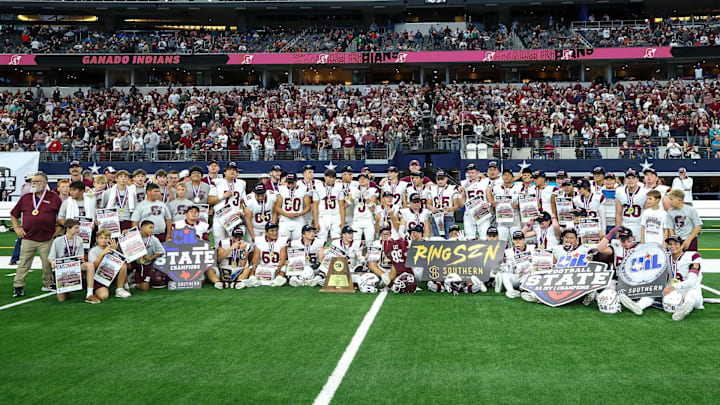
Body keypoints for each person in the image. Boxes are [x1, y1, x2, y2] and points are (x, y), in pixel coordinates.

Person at [10, 172, 62, 297]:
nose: (33, 183)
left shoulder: (54, 197)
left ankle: (48, 283)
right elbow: (14, 214)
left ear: (44, 183)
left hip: (47, 238)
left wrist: (58, 230)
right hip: (29, 237)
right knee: (24, 263)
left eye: (36, 181)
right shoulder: (26, 197)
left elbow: (62, 216)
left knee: (47, 264)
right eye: (32, 181)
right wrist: (17, 228)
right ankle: (18, 286)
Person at [48, 219, 100, 304]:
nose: (78, 230)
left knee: (90, 265)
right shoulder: (58, 240)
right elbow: (51, 257)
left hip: (75, 266)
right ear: (68, 229)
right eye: (76, 228)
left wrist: (81, 258)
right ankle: (67, 288)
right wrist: (52, 263)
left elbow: (81, 257)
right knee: (61, 299)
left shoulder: (79, 239)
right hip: (63, 269)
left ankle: (89, 294)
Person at [208, 162, 246, 248]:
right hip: (220, 215)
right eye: (229, 169)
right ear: (224, 172)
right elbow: (210, 200)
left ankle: (235, 260)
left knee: (236, 240)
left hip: (234, 215)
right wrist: (223, 196)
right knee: (218, 240)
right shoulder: (217, 182)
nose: (232, 171)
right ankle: (221, 261)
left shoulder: (241, 183)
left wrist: (241, 211)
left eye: (234, 170)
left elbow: (242, 200)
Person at [88, 229, 131, 299]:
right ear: (97, 239)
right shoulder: (93, 251)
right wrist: (102, 254)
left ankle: (120, 289)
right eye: (101, 238)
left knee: (123, 265)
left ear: (110, 239)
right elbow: (94, 267)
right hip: (99, 276)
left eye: (106, 238)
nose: (103, 240)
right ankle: (95, 291)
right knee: (104, 296)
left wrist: (114, 251)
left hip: (111, 273)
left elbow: (122, 263)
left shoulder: (112, 247)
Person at [127, 220, 166, 291]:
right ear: (142, 228)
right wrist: (125, 233)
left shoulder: (154, 240)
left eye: (153, 228)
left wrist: (151, 258)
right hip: (134, 262)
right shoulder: (134, 236)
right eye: (150, 227)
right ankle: (129, 277)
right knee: (126, 265)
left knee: (145, 288)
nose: (152, 230)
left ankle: (134, 284)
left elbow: (161, 251)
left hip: (146, 265)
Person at [496, 231, 536, 299]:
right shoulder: (508, 252)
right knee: (504, 275)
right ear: (513, 241)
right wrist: (504, 263)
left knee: (532, 276)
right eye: (515, 239)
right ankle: (511, 291)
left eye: (520, 239)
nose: (517, 241)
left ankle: (528, 292)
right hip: (517, 276)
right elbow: (508, 269)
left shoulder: (532, 248)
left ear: (524, 240)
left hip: (528, 276)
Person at [275, 173, 311, 242]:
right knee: (283, 242)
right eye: (288, 183)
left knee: (298, 242)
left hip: (298, 219)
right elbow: (277, 207)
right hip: (285, 219)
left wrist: (299, 214)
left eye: (292, 183)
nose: (290, 185)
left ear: (296, 181)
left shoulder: (303, 189)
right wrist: (287, 214)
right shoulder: (281, 189)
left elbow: (308, 207)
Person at [312, 169, 344, 245]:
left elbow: (341, 205)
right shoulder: (317, 187)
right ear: (325, 177)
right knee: (321, 240)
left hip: (336, 215)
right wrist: (316, 222)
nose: (332, 179)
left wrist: (342, 221)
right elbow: (315, 206)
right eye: (330, 177)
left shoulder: (339, 186)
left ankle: (334, 256)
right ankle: (320, 256)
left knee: (336, 240)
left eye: (333, 178)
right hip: (323, 216)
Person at [251, 222, 288, 287]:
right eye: (272, 231)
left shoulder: (282, 240)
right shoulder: (259, 240)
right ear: (266, 232)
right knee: (252, 267)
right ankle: (252, 280)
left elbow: (283, 257)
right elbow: (256, 257)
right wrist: (254, 264)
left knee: (284, 267)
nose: (275, 233)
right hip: (263, 265)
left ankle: (278, 279)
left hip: (276, 266)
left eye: (276, 230)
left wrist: (279, 266)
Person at [346, 173, 378, 246]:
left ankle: (369, 256)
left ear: (368, 180)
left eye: (364, 178)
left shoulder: (373, 190)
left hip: (368, 219)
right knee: (355, 243)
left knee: (370, 242)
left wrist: (367, 198)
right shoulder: (353, 190)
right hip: (357, 219)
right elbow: (345, 205)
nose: (362, 180)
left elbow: (372, 208)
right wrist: (352, 198)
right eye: (360, 179)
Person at [615, 168, 647, 237]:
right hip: (625, 224)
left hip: (639, 225)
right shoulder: (620, 191)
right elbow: (618, 214)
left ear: (638, 179)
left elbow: (647, 213)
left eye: (633, 178)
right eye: (628, 178)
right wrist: (618, 230)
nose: (631, 180)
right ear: (625, 179)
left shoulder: (644, 192)